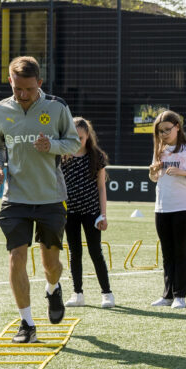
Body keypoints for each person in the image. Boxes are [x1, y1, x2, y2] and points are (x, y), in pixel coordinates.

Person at [0, 56, 81, 343]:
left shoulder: (57, 107)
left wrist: (51, 145)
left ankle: (53, 289)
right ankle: (27, 323)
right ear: (10, 81)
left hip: (51, 197)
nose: (23, 94)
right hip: (15, 198)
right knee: (16, 257)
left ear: (39, 82)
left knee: (51, 265)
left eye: (29, 88)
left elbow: (74, 143)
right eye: (17, 88)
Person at [148, 110, 186, 309]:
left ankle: (180, 295)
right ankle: (167, 295)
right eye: (160, 131)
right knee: (167, 253)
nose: (164, 134)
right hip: (161, 207)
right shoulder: (160, 148)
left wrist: (184, 172)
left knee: (180, 251)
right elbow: (155, 178)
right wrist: (152, 171)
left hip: (182, 208)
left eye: (167, 129)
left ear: (177, 127)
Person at [62, 117, 114, 308]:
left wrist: (103, 215)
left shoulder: (96, 156)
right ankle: (77, 293)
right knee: (74, 253)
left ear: (87, 137)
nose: (77, 142)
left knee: (95, 251)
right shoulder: (62, 156)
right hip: (70, 213)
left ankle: (107, 293)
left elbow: (101, 187)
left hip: (92, 212)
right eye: (73, 138)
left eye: (81, 138)